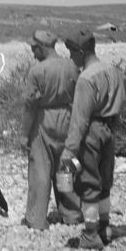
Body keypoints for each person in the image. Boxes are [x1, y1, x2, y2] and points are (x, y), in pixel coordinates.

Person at [60, 29, 126, 250]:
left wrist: (69, 152)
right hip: (110, 129)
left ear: (80, 51)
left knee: (89, 183)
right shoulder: (114, 71)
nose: (71, 57)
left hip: (91, 132)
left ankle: (90, 234)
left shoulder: (85, 79)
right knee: (105, 181)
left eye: (72, 52)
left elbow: (80, 120)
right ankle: (105, 227)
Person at [20, 29, 82, 229]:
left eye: (34, 48)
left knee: (40, 169)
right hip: (67, 118)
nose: (32, 52)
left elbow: (30, 105)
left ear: (42, 47)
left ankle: (37, 218)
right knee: (65, 167)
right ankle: (71, 212)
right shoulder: (71, 67)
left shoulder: (37, 71)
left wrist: (24, 134)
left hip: (43, 119)